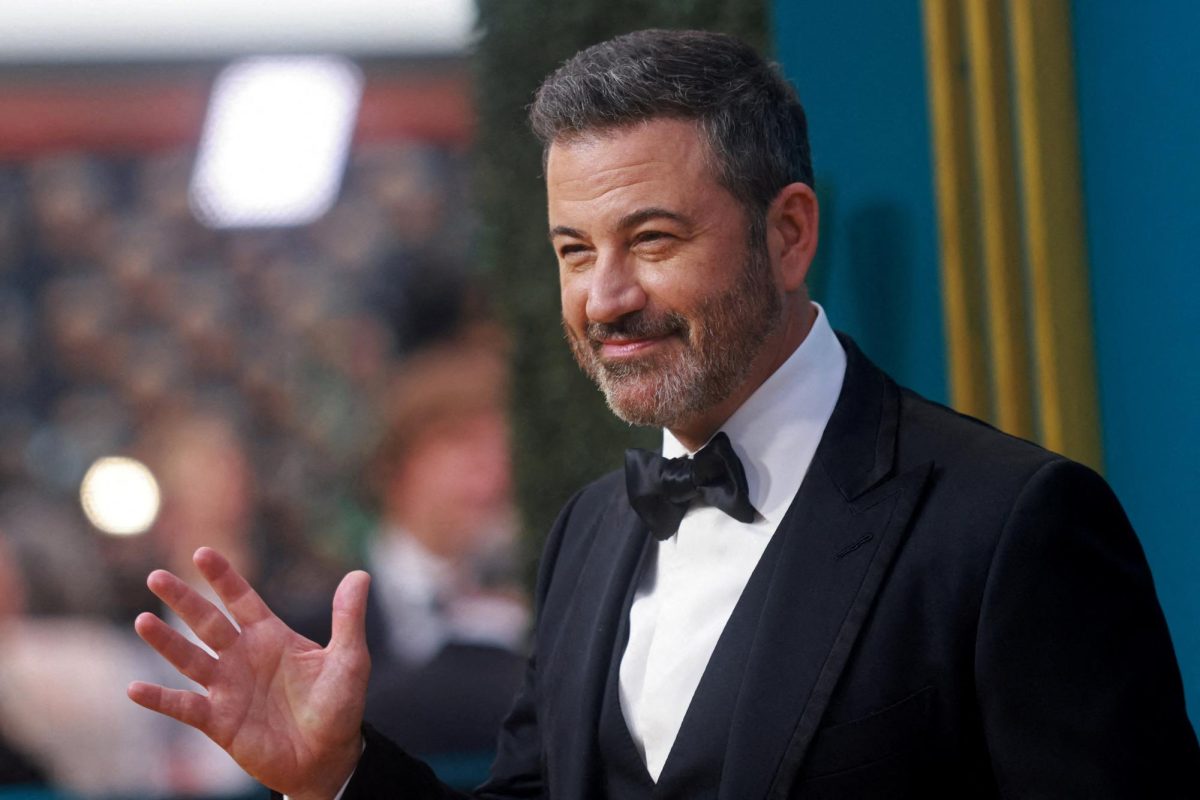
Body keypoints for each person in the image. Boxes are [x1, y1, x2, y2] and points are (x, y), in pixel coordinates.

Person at [128, 29, 1200, 798]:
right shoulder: (592, 530)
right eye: (572, 251)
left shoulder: (1009, 523)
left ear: (787, 234)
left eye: (650, 239)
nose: (604, 298)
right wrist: (341, 773)